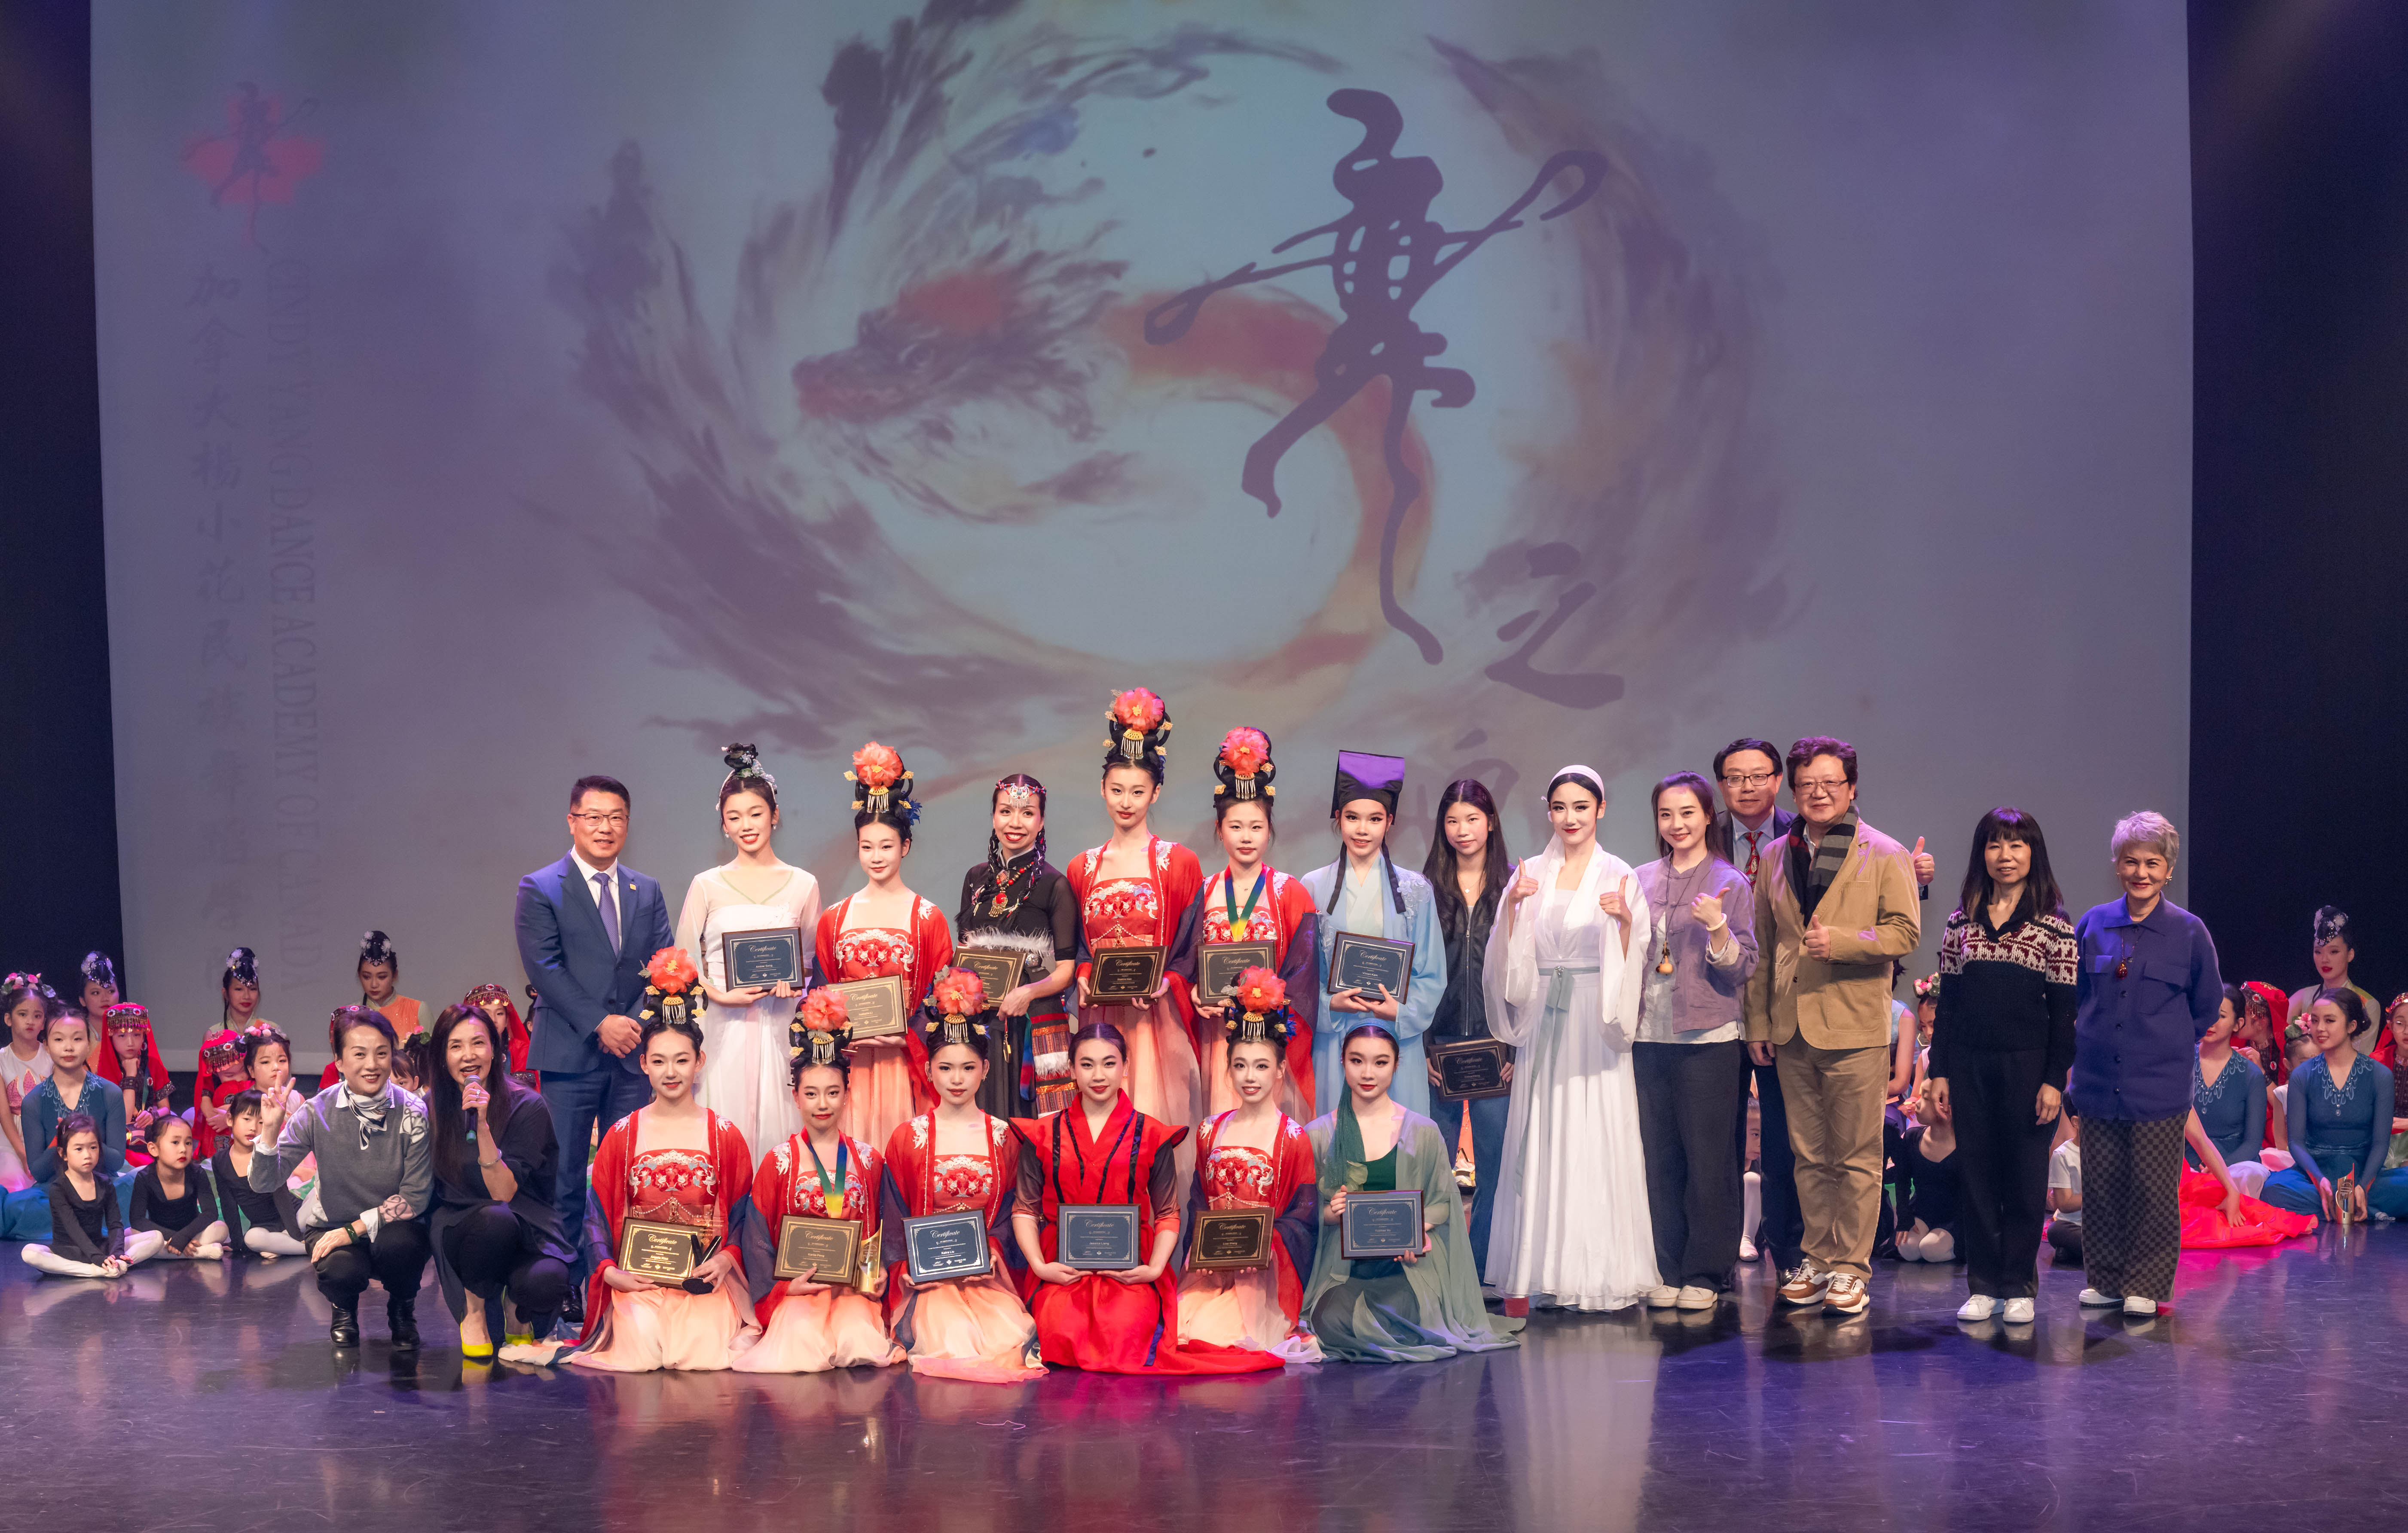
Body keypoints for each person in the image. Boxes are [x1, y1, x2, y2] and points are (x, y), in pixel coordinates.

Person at [1742, 736, 1922, 1318]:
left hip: (1854, 1025)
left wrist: (1842, 942)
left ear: (1852, 787)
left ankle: (1851, 1268)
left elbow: (1905, 932)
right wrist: (1759, 1022)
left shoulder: (1885, 852)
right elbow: (1765, 946)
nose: (1818, 794)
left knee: (1857, 1156)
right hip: (1791, 1027)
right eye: (1807, 785)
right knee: (1808, 1156)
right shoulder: (1777, 855)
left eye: (1830, 783)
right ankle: (1817, 1261)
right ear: (1793, 790)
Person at [1482, 764, 1658, 1312]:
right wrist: (1514, 908)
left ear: (1600, 809)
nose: (1570, 817)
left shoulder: (1619, 873)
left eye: (1581, 807)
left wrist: (1625, 923)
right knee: (1544, 1130)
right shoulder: (1529, 872)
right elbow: (1506, 958)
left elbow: (1640, 950)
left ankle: (1597, 1272)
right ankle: (1539, 1271)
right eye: (1559, 807)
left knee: (1595, 1131)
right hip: (1545, 1014)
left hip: (1593, 1015)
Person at [1012, 1019, 1280, 1375]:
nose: (1098, 1075)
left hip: (1132, 1265)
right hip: (1060, 1265)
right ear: (1072, 1069)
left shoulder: (1152, 1134)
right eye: (1087, 1064)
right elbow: (1025, 1209)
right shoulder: (1042, 1133)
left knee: (1125, 1329)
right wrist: (1040, 1267)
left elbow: (1167, 1212)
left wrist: (1153, 1268)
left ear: (1125, 1066)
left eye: (1109, 1063)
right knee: (1061, 1329)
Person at [516, 773, 672, 1309]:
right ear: (573, 821)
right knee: (564, 1175)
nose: (605, 828)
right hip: (569, 1054)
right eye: (594, 817)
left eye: (616, 818)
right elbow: (545, 968)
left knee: (627, 1172)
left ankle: (626, 1278)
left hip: (631, 1056)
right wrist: (600, 1023)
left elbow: (663, 965)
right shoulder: (541, 886)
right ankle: (567, 1284)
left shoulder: (646, 889)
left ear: (628, 824)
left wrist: (631, 1023)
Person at [1926, 807, 2077, 1324]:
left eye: (2016, 845)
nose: (2005, 855)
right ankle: (1984, 1285)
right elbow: (1948, 1006)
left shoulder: (2055, 926)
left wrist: (2054, 1080)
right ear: (1982, 854)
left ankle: (2019, 1286)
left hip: (2029, 1069)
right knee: (1977, 1175)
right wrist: (1940, 1071)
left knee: (2024, 1177)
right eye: (1995, 845)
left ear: (2033, 853)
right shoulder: (1960, 922)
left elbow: (2065, 1014)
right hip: (1969, 1065)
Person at [2068, 811, 2222, 1317]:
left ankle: (2146, 1283)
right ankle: (2107, 1279)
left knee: (2153, 1189)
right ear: (2117, 865)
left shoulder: (2189, 931)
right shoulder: (2093, 924)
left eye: (2153, 863)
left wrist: (2166, 1045)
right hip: (2097, 1080)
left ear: (2168, 870)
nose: (2142, 872)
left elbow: (2205, 1007)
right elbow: (2076, 995)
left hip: (2159, 1085)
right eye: (2132, 861)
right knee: (2102, 1184)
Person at [1302, 1022, 1522, 1361]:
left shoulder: (1423, 1131)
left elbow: (1442, 1202)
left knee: (1405, 1315)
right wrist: (1331, 1214)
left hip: (1409, 1264)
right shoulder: (1318, 1135)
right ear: (1343, 1062)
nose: (1368, 1073)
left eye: (1380, 1062)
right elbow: (1305, 1213)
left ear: (1396, 1065)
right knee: (1330, 1321)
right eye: (1357, 1061)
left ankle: (1385, 1331)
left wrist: (1417, 1231)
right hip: (1344, 1271)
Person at [558, 1014, 758, 1371]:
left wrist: (726, 1259)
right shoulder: (622, 1135)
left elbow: (744, 1214)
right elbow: (596, 1215)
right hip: (639, 1282)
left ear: (700, 1061)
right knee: (643, 1346)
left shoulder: (725, 1135)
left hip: (703, 1279)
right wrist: (608, 1271)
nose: (671, 1072)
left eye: (682, 1060)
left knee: (700, 1352)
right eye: (659, 1061)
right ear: (644, 1065)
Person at [1632, 772, 1758, 1310]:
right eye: (1666, 814)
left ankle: (1707, 1271)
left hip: (1709, 1037)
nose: (1677, 824)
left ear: (1709, 816)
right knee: (1659, 1158)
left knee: (1709, 1160)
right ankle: (1666, 1265)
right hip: (1647, 1036)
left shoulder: (1731, 881)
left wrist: (1718, 929)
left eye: (1687, 813)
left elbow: (1744, 967)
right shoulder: (1639, 879)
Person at [877, 983, 1045, 1383]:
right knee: (952, 1335)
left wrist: (994, 1254)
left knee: (1007, 1336)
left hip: (985, 1275)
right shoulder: (908, 1137)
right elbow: (894, 1215)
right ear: (928, 1071)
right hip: (928, 1280)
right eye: (946, 1068)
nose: (957, 1079)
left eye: (968, 1068)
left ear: (985, 1070)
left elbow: (1012, 1213)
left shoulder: (1005, 1136)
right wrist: (906, 1267)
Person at [733, 992, 902, 1373]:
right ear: (795, 1097)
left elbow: (885, 1231)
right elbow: (757, 1238)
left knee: (859, 1341)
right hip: (801, 1289)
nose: (822, 1104)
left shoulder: (869, 1159)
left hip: (853, 1289)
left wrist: (880, 1273)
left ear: (847, 1095)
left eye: (832, 1093)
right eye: (811, 1094)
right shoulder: (779, 1161)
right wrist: (783, 1287)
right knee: (799, 1343)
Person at [1067, 690, 1206, 1142]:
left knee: (1155, 1125)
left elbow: (1191, 943)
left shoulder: (1178, 862)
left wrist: (1168, 981)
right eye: (1117, 790)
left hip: (1157, 1019)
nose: (1126, 802)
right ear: (1102, 789)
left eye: (1138, 792)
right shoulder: (1082, 867)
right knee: (1101, 1132)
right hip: (1101, 1015)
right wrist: (1084, 974)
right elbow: (1079, 945)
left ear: (1156, 793)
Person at [251, 1007, 433, 1348]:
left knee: (402, 1248)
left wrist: (354, 1230)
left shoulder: (413, 1111)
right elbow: (264, 1183)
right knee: (341, 1269)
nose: (372, 1064)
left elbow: (416, 1196)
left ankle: (402, 1308)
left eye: (382, 1053)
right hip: (332, 1223)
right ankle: (344, 1308)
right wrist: (270, 1133)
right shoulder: (317, 1111)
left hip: (395, 1226)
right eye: (359, 1054)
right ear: (339, 1060)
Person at [681, 744, 824, 1157]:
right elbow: (683, 964)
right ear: (724, 825)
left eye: (756, 814)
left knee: (778, 1132)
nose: (746, 826)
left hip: (779, 1026)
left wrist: (795, 986)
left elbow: (810, 963)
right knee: (722, 1133)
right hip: (721, 1026)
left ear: (774, 816)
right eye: (734, 817)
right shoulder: (706, 884)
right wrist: (719, 995)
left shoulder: (804, 884)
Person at [1170, 729, 1321, 1118]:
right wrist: (1193, 993)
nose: (1246, 837)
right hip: (1217, 1036)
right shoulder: (1202, 892)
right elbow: (1183, 964)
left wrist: (1272, 1005)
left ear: (1270, 830)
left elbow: (1305, 975)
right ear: (1219, 830)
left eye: (1256, 827)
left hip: (1270, 1039)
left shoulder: (1291, 892)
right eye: (1235, 827)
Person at [1177, 971, 1322, 1361]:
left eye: (1261, 1066)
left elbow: (1303, 1217)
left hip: (1264, 1275)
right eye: (1240, 1065)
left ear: (1280, 1070)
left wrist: (1264, 1249)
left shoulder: (1293, 1138)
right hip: (1212, 1271)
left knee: (1214, 1338)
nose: (1250, 1077)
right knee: (1182, 1329)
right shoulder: (1209, 1130)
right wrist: (1199, 1252)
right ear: (1228, 1068)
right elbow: (1199, 1203)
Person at [816, 743, 953, 1149]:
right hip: (850, 1063)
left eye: (887, 846)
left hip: (902, 1061)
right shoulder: (834, 918)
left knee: (900, 1156)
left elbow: (940, 999)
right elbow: (820, 995)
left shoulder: (927, 917)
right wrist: (837, 1031)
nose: (876, 857)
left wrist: (907, 1035)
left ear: (905, 847)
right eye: (867, 846)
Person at [1301, 751, 1446, 1118]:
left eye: (1375, 819)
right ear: (1338, 818)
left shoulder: (1416, 890)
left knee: (1398, 1134)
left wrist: (1403, 1011)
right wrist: (1330, 1004)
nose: (1362, 830)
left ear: (1390, 821)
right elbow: (1303, 975)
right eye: (1352, 817)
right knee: (1338, 1133)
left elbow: (1431, 973)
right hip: (1336, 1036)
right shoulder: (1312, 886)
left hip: (1395, 1033)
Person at [423, 1004, 572, 1361]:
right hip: (461, 1223)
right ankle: (473, 1310)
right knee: (494, 1221)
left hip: (524, 1221)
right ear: (443, 1056)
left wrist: (483, 1126)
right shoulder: (429, 1108)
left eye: (478, 1043)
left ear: (495, 1049)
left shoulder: (528, 1105)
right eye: (456, 1046)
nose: (469, 1055)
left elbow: (504, 1193)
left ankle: (515, 1306)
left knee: (548, 1280)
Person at [1418, 778, 1513, 1273]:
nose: (1462, 829)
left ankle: (1481, 1265)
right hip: (1441, 1048)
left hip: (1499, 1048)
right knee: (1434, 1164)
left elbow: (1528, 972)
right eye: (1452, 820)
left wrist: (1516, 1045)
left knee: (1497, 1162)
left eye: (1472, 819)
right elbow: (1414, 972)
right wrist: (1423, 1046)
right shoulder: (1423, 890)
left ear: (1490, 822)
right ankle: (1439, 1264)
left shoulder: (1515, 887)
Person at [1714, 738, 1801, 1273]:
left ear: (1777, 780)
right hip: (1716, 1004)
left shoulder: (1805, 832)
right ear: (1721, 784)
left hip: (1781, 1007)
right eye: (1734, 777)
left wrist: (1917, 879)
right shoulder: (1699, 831)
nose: (1746, 786)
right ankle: (1717, 1255)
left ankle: (1790, 1254)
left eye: (1757, 776)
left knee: (1783, 1138)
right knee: (1717, 1140)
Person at [953, 773, 1078, 1117]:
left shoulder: (1055, 884)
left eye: (1028, 813)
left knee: (1035, 1119)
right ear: (994, 816)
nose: (1015, 823)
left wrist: (1027, 993)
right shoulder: (975, 879)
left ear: (1042, 821)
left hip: (1033, 1018)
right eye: (1006, 811)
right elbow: (963, 957)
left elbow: (1067, 970)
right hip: (981, 1019)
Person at [2258, 990, 2408, 1222]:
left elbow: (2381, 1143)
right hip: (2315, 1171)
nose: (2320, 1028)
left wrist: (2363, 1186)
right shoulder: (2302, 1075)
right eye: (2315, 1020)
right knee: (2273, 1190)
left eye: (2329, 1021)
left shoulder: (2379, 1075)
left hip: (2363, 1170)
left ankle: (2345, 1204)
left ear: (2351, 1026)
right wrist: (2319, 1180)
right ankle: (2355, 1208)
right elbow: (2296, 1142)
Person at [19, 1115, 137, 1278]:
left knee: (155, 1238)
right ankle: (95, 1271)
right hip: (69, 1253)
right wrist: (97, 1258)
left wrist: (117, 1252)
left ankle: (116, 1263)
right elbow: (74, 1229)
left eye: (93, 1147)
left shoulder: (105, 1184)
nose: (87, 1155)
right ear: (63, 1154)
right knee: (30, 1253)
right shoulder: (59, 1189)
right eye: (79, 1149)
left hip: (99, 1247)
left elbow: (115, 1224)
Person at [2192, 986, 2283, 1197]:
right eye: (2205, 1011)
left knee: (2244, 1178)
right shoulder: (2182, 1063)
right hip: (2185, 1162)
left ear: (2238, 1024)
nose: (2210, 1021)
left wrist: (2218, 1167)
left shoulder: (2250, 1074)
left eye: (2221, 1016)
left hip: (2235, 1164)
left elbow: (2252, 1143)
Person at [19, 1007, 127, 1185]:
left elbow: (116, 1162)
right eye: (59, 1039)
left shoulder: (110, 1093)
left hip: (103, 1187)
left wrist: (87, 1138)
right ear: (46, 1046)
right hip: (55, 1190)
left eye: (77, 1039)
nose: (69, 1047)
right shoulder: (34, 1102)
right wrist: (60, 1139)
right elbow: (38, 1172)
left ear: (89, 1044)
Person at [211, 1090, 306, 1258]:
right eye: (247, 1119)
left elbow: (282, 1197)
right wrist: (236, 1243)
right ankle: (291, 1246)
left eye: (261, 1122)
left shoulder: (267, 1154)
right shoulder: (220, 1160)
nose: (253, 1128)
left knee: (316, 1203)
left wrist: (296, 1234)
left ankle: (296, 1243)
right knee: (252, 1239)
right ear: (230, 1119)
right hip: (264, 1227)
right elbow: (228, 1204)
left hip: (295, 1217)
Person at [2288, 908, 2384, 1067]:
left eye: (2334, 952)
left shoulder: (2368, 1004)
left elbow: (2360, 1058)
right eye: (2318, 952)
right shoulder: (2302, 997)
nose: (2324, 959)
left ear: (2350, 955)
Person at [127, 1116, 228, 1260]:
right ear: (154, 1149)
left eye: (188, 1143)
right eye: (175, 1143)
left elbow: (210, 1212)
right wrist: (174, 1238)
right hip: (162, 1237)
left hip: (193, 1234)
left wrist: (184, 1237)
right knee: (133, 1234)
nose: (183, 1149)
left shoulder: (197, 1173)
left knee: (221, 1228)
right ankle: (199, 1253)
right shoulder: (145, 1178)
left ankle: (171, 1253)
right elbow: (137, 1220)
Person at [95, 1002, 172, 1164]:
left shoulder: (153, 1065)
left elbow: (166, 1108)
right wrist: (130, 1075)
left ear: (144, 1035)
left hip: (151, 1131)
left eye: (137, 1035)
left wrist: (153, 1115)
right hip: (119, 1138)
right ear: (111, 1037)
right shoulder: (105, 1071)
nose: (130, 1042)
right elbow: (123, 1119)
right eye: (122, 1036)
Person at [1, 973, 57, 1192]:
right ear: (9, 1019)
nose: (30, 1021)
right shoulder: (2, 1060)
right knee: (13, 1183)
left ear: (44, 1022)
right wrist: (23, 1153)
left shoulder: (52, 1056)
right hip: (10, 1139)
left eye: (37, 1016)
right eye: (23, 1014)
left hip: (47, 1134)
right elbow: (4, 1114)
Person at [464, 984, 536, 1081]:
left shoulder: (520, 1050)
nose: (494, 1020)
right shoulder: (465, 1050)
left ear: (507, 1020)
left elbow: (525, 1088)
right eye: (486, 1014)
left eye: (499, 1014)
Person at [2045, 1107, 2083, 1265]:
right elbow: (2065, 1204)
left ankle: (2075, 1252)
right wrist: (2099, 1193)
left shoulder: (2110, 1151)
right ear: (2076, 1122)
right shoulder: (2063, 1155)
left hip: (2104, 1227)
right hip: (2075, 1226)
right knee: (2056, 1231)